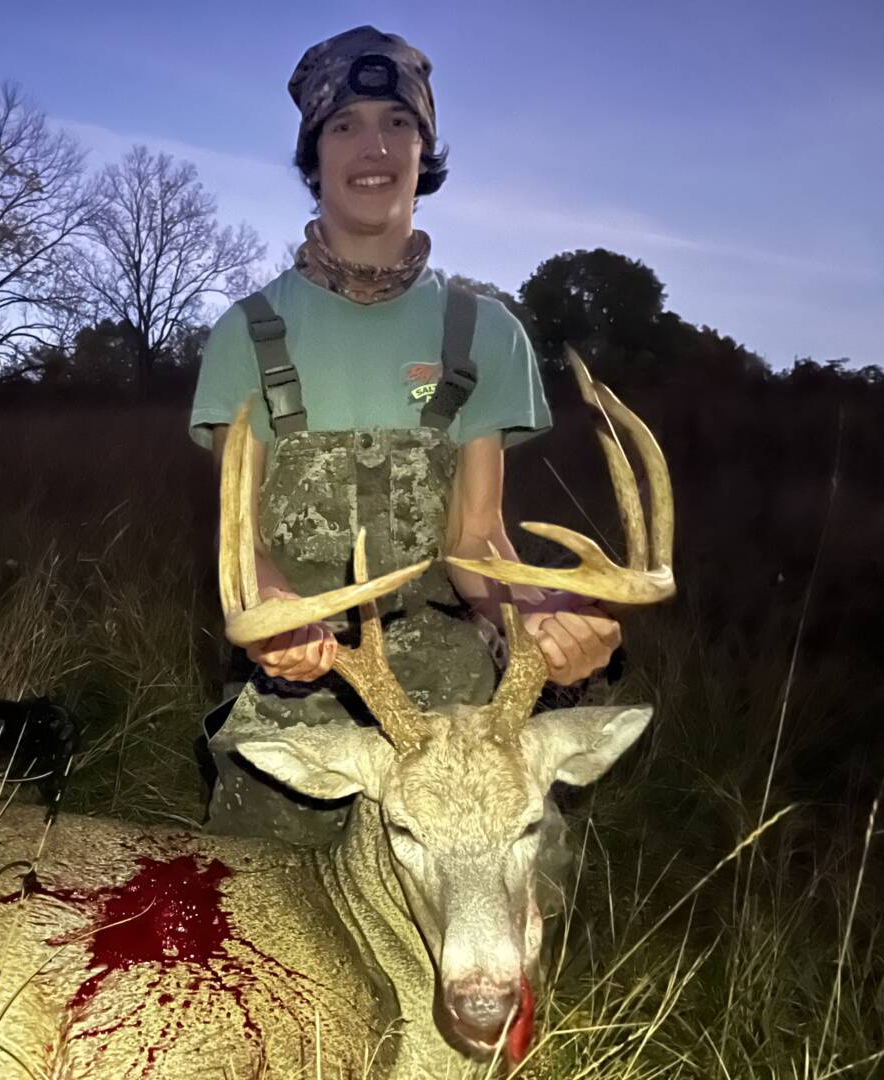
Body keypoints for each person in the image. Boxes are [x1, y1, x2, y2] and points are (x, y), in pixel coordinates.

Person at [189, 26, 621, 844]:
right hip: (301, 684)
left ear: (425, 151)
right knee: (258, 902)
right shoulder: (248, 333)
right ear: (313, 156)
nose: (374, 146)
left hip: (449, 694)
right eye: (344, 125)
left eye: (398, 122)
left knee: (503, 895)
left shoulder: (484, 332)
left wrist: (543, 621)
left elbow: (475, 539)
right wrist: (275, 611)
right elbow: (241, 541)